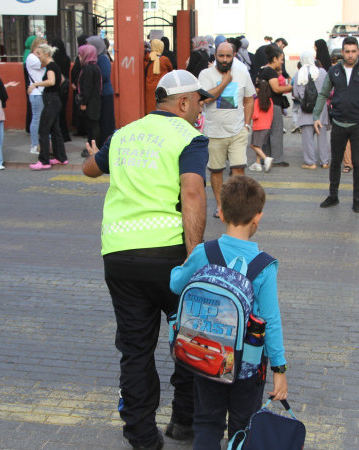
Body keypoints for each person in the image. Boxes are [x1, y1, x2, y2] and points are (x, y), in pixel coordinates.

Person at [82, 69, 212, 450]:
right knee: (189, 338)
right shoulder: (189, 137)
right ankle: (184, 422)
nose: (200, 109)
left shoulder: (123, 134)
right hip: (170, 256)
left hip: (120, 256)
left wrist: (94, 156)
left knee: (135, 349)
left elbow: (91, 168)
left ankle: (141, 435)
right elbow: (192, 194)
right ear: (184, 103)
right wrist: (195, 257)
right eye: (199, 102)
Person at [169, 175, 288, 449]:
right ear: (258, 217)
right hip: (248, 366)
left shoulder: (204, 252)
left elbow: (176, 284)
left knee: (207, 423)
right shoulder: (264, 265)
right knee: (242, 426)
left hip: (207, 357)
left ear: (220, 212)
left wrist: (185, 263)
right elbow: (271, 321)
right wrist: (279, 369)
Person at [313, 36, 359, 213]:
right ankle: (333, 196)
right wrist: (316, 116)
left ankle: (357, 199)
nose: (350, 55)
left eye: (353, 52)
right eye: (347, 52)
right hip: (338, 123)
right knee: (335, 162)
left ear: (358, 52)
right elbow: (323, 94)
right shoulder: (334, 71)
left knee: (357, 163)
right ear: (342, 52)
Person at [199, 42, 255, 218]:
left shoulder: (243, 73)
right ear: (215, 55)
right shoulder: (205, 74)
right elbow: (205, 99)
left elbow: (249, 99)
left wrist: (246, 124)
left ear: (234, 56)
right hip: (214, 133)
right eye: (221, 56)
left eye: (228, 56)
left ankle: (237, 206)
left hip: (237, 131)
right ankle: (221, 206)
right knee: (216, 170)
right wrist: (224, 82)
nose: (224, 60)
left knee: (239, 169)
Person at [28, 43, 68, 170]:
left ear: (46, 54)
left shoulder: (51, 67)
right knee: (55, 130)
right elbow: (61, 80)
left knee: (44, 130)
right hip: (54, 99)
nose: (38, 57)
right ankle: (61, 157)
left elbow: (52, 81)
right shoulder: (54, 66)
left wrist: (35, 84)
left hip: (51, 100)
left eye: (39, 54)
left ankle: (44, 161)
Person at [292, 49, 330, 169]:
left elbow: (296, 93)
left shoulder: (299, 74)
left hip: (306, 109)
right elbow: (328, 90)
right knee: (322, 137)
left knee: (307, 138)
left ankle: (310, 162)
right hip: (321, 109)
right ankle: (325, 161)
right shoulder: (322, 72)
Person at [256, 44, 292, 167]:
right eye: (281, 59)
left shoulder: (262, 70)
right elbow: (276, 89)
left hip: (264, 104)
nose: (282, 62)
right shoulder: (271, 72)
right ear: (275, 58)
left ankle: (266, 157)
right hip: (274, 104)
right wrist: (291, 87)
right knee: (276, 131)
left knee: (267, 132)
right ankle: (277, 159)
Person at [87, 36, 116, 146]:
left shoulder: (102, 59)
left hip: (105, 94)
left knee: (105, 121)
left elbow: (103, 75)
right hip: (99, 94)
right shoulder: (95, 58)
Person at [77, 44, 103, 153]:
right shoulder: (95, 67)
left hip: (91, 102)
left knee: (92, 126)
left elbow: (87, 88)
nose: (79, 57)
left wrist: (83, 102)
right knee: (94, 125)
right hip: (95, 100)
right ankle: (94, 146)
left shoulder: (88, 69)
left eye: (80, 55)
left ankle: (93, 148)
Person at [25, 39, 46, 155]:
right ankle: (34, 144)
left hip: (41, 92)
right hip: (37, 93)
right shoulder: (32, 58)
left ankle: (42, 143)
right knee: (36, 119)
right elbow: (44, 63)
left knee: (42, 119)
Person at [248, 80, 275, 172]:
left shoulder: (257, 101)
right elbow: (271, 115)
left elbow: (255, 115)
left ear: (258, 89)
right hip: (267, 126)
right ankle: (257, 163)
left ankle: (266, 158)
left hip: (258, 126)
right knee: (259, 146)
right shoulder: (270, 100)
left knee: (253, 145)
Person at [51, 38, 73, 142]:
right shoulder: (67, 58)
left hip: (55, 87)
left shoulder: (53, 59)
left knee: (56, 113)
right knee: (63, 112)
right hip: (65, 86)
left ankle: (57, 135)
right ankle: (65, 134)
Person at [145, 39, 174, 115]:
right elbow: (171, 70)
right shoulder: (164, 60)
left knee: (150, 109)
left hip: (149, 89)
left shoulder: (147, 58)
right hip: (161, 88)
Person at [71, 34, 90, 141]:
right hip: (78, 86)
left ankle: (84, 130)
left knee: (82, 108)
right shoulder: (81, 55)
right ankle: (81, 129)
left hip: (81, 87)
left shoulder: (85, 58)